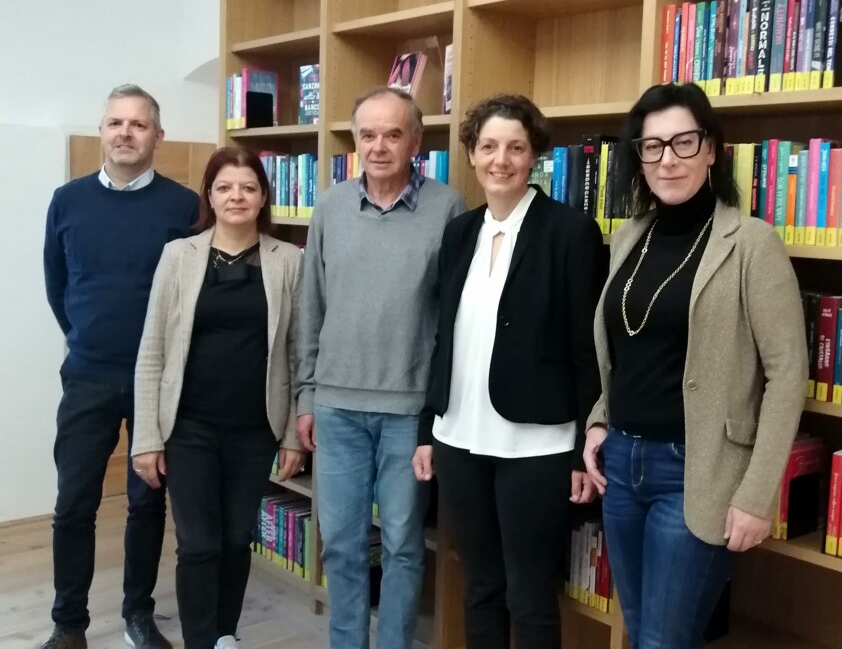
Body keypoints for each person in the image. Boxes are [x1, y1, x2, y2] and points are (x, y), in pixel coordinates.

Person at [582, 83, 808, 649]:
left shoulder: (751, 243)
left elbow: (786, 374)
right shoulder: (630, 236)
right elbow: (623, 348)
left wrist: (756, 495)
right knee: (640, 634)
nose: (668, 159)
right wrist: (598, 420)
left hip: (696, 472)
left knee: (664, 641)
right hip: (622, 466)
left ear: (712, 150)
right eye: (652, 146)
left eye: (684, 142)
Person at [412, 94, 609, 649]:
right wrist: (430, 429)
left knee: (530, 594)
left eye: (516, 148)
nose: (501, 159)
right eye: (489, 146)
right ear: (472, 154)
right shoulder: (459, 234)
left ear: (534, 157)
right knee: (479, 586)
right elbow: (443, 337)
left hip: (537, 446)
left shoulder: (570, 232)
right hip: (459, 441)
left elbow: (585, 348)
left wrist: (578, 451)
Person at [295, 86, 466, 649]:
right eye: (368, 134)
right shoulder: (330, 206)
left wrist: (438, 413)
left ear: (416, 140)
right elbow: (310, 307)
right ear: (354, 141)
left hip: (408, 413)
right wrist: (306, 397)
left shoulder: (447, 207)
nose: (380, 146)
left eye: (393, 134)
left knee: (401, 543)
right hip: (337, 407)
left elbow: (454, 318)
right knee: (341, 542)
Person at [42, 84, 198, 649]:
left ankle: (138, 614)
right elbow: (58, 285)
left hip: (156, 382)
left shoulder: (183, 206)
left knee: (146, 502)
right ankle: (69, 623)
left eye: (137, 124)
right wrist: (87, 337)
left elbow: (188, 294)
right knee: (73, 503)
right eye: (115, 123)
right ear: (102, 131)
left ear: (158, 136)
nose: (125, 133)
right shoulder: (68, 200)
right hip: (87, 376)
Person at [131, 147, 304, 649]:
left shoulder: (287, 260)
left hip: (255, 428)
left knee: (234, 540)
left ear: (264, 196)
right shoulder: (179, 256)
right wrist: (146, 437)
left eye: (248, 187)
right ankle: (201, 641)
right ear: (209, 194)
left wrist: (293, 433)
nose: (237, 196)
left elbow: (297, 353)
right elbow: (152, 351)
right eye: (225, 187)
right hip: (188, 428)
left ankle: (225, 636)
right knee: (199, 544)